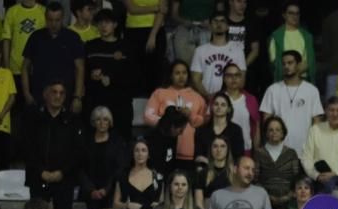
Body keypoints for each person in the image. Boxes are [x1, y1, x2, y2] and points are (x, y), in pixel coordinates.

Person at [25, 82, 83, 209]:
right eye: (54, 92)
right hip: (38, 178)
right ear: (46, 94)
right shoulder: (34, 118)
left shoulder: (72, 120)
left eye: (61, 93)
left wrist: (62, 172)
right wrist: (40, 171)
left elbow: (78, 152)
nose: (58, 96)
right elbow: (27, 148)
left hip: (64, 180)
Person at [20, 1, 85, 107]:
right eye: (50, 20)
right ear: (45, 19)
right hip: (39, 97)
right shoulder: (36, 37)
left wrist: (77, 97)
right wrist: (27, 94)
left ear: (62, 18)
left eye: (57, 20)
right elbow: (25, 67)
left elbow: (80, 68)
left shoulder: (73, 38)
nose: (54, 24)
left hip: (66, 97)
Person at [144, 61, 207, 169]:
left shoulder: (197, 97)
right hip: (163, 149)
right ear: (171, 75)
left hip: (188, 152)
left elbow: (205, 120)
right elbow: (148, 116)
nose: (181, 76)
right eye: (177, 73)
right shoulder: (160, 93)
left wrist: (190, 115)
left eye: (184, 73)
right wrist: (167, 121)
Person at [260, 51, 323, 156]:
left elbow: (316, 121)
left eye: (290, 63)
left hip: (304, 150)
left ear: (298, 65)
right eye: (284, 64)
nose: (286, 66)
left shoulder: (311, 90)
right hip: (277, 150)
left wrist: (314, 146)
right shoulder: (272, 90)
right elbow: (266, 120)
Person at [83, 11, 132, 141]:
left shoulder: (126, 47)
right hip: (95, 100)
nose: (103, 26)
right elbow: (82, 73)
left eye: (107, 22)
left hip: (120, 102)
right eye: (100, 23)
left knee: (121, 140)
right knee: (94, 140)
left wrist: (112, 79)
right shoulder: (90, 46)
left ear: (115, 24)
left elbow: (133, 75)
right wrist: (91, 75)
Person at [190, 10, 245, 100]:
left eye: (222, 21)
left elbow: (241, 81)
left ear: (228, 26)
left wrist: (225, 98)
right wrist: (208, 96)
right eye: (215, 21)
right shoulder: (200, 51)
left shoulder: (238, 51)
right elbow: (196, 80)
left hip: (230, 100)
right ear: (210, 26)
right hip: (206, 99)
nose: (219, 24)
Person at [255, 116, 302, 209]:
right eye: (271, 130)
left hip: (289, 202)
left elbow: (297, 178)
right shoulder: (259, 153)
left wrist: (288, 196)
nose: (274, 132)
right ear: (266, 133)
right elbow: (256, 179)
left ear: (282, 133)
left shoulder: (291, 153)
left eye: (277, 130)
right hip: (264, 202)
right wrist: (268, 197)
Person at [267, 2, 314, 83]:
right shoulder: (276, 36)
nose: (294, 16)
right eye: (291, 13)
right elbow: (274, 62)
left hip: (303, 80)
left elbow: (310, 60)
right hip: (284, 81)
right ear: (284, 15)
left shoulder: (307, 36)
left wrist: (302, 68)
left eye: (297, 13)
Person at [3, 0, 46, 83]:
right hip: (15, 68)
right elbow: (6, 40)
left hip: (36, 68)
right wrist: (7, 68)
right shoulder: (12, 11)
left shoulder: (43, 11)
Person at [220, 63, 259, 153]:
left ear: (241, 78)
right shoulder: (217, 99)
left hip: (245, 150)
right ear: (224, 78)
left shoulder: (250, 99)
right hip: (221, 150)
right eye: (230, 75)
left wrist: (257, 152)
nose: (233, 78)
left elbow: (256, 127)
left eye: (237, 75)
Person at [195, 93, 245, 162]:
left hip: (229, 167)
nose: (219, 107)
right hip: (205, 167)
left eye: (223, 105)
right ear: (212, 107)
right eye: (216, 104)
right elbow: (198, 156)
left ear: (228, 109)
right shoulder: (201, 130)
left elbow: (238, 157)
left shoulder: (236, 130)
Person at [197, 138, 235, 209]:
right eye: (215, 146)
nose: (219, 150)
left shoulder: (235, 173)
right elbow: (199, 203)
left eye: (222, 146)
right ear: (211, 149)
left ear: (228, 150)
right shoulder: (202, 173)